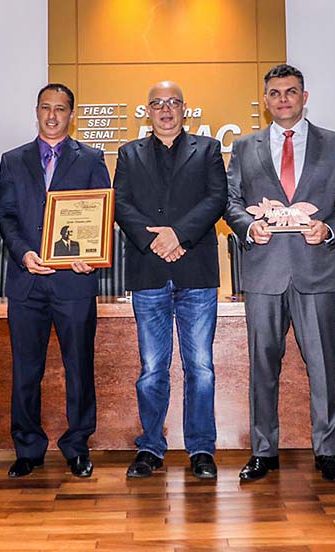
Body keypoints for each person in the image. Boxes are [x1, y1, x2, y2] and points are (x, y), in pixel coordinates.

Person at [224, 64, 335, 482]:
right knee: (263, 365)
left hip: (316, 271)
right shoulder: (245, 147)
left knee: (323, 364)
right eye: (274, 93)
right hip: (264, 273)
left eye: (291, 91)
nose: (283, 99)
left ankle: (326, 452)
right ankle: (263, 452)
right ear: (265, 100)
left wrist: (330, 228)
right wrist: (249, 227)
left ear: (305, 97)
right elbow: (231, 201)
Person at [0, 83, 110, 479]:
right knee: (27, 369)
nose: (52, 115)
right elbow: (5, 215)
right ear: (37, 110)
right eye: (46, 107)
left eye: (60, 109)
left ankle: (77, 445)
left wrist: (89, 256)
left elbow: (101, 214)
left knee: (79, 367)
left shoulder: (92, 159)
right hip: (27, 281)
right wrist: (23, 252)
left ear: (71, 114)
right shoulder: (12, 160)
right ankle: (27, 447)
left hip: (73, 283)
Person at [114, 81, 227, 480]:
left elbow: (217, 198)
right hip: (149, 272)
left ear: (185, 108)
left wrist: (178, 235)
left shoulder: (208, 149)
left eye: (173, 102)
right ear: (147, 111)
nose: (165, 109)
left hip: (195, 270)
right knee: (152, 368)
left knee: (201, 367)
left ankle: (201, 448)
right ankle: (150, 446)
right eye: (157, 103)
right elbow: (121, 205)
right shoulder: (129, 153)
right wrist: (157, 242)